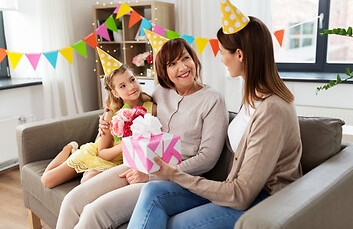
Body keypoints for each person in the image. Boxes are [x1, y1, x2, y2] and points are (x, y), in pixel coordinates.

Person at [127, 10, 303, 229]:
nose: (221, 59)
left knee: (176, 225)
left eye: (222, 52)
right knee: (152, 191)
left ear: (239, 54)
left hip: (264, 199)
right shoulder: (252, 96)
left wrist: (174, 173)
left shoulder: (272, 110)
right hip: (233, 187)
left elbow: (241, 194)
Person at [56, 38, 229, 228]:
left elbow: (208, 158)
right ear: (164, 70)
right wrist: (105, 122)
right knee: (72, 200)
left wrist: (155, 175)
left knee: (94, 212)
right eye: (172, 63)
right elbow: (131, 108)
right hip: (139, 164)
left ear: (194, 59)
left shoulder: (213, 100)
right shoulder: (161, 92)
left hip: (178, 179)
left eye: (185, 58)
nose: (182, 67)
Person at [41, 64, 155, 188]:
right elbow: (102, 153)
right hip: (101, 155)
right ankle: (68, 149)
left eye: (132, 80)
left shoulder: (152, 109)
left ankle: (85, 168)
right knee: (47, 180)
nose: (131, 87)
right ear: (115, 93)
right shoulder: (111, 114)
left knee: (87, 181)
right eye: (122, 86)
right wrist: (125, 145)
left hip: (122, 163)